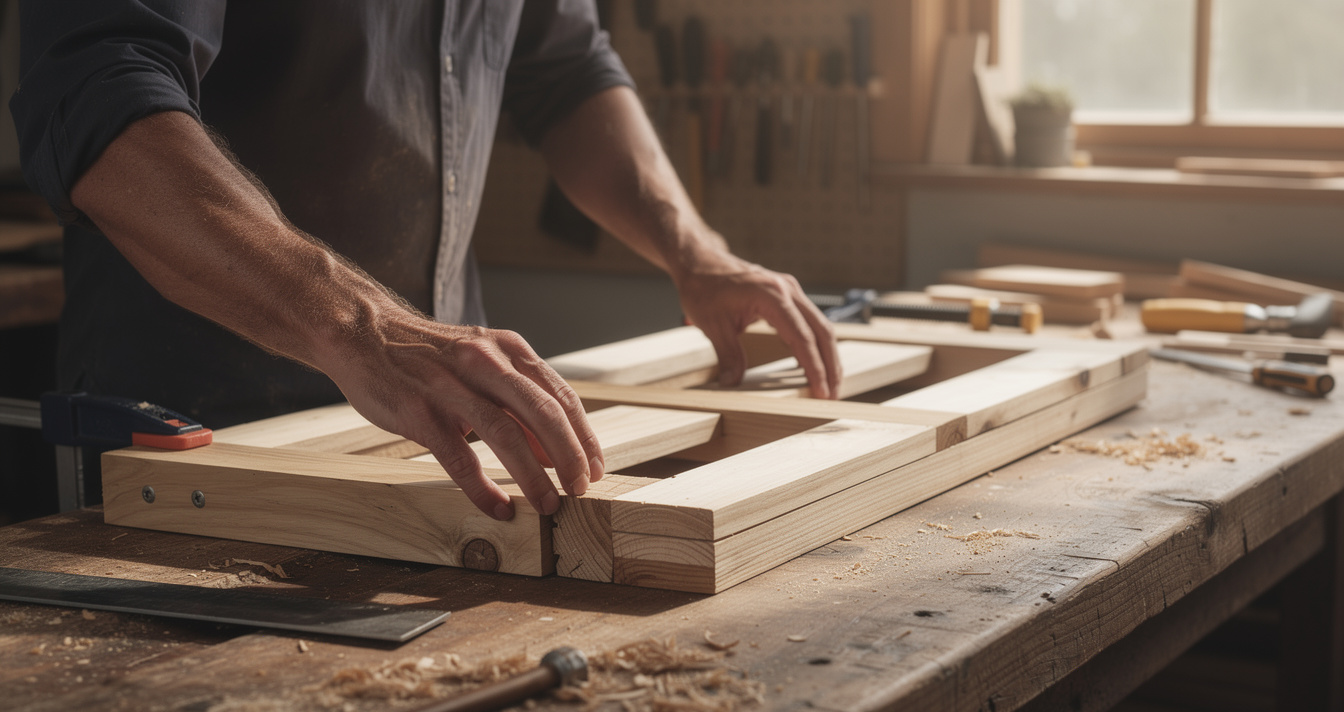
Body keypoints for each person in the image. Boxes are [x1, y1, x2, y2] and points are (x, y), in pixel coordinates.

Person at [11, 1, 840, 521]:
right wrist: (356, 325)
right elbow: (99, 94)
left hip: (432, 431)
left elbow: (567, 69)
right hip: (193, 440)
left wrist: (696, 253)